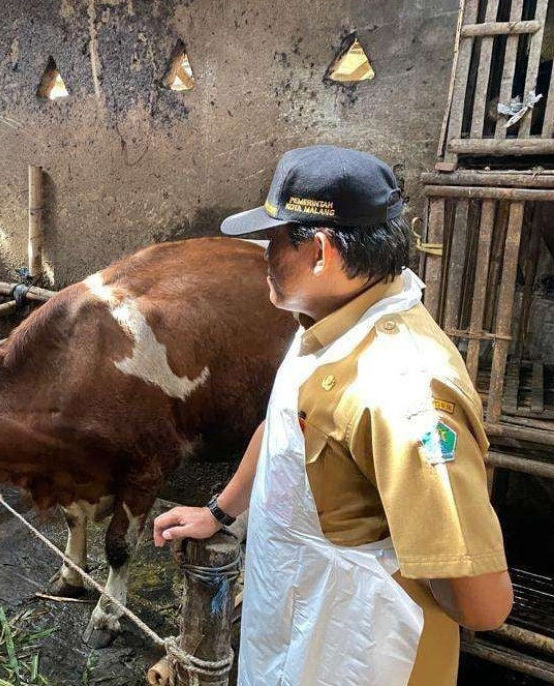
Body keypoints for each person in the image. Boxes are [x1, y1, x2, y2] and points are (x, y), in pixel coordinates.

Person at [153, 146, 512, 686]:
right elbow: (283, 425)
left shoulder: (402, 392)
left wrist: (366, 575)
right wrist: (220, 512)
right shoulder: (331, 322)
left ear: (321, 253)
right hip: (295, 620)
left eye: (274, 242)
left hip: (359, 651)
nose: (264, 258)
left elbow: (484, 604)